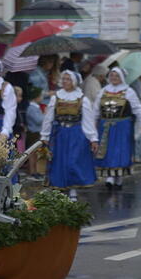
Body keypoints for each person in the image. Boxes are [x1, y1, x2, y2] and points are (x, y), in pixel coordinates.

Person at [40, 71, 98, 199]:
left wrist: (93, 138)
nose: (65, 81)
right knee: (59, 161)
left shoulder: (82, 99)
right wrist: (44, 136)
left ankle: (72, 190)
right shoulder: (56, 97)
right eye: (64, 79)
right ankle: (59, 188)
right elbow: (48, 117)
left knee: (73, 161)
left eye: (68, 79)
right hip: (59, 133)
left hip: (76, 133)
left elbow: (88, 120)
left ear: (75, 82)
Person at [95, 67, 141, 190]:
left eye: (117, 76)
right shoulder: (103, 91)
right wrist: (93, 124)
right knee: (107, 151)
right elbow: (96, 110)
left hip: (122, 126)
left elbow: (138, 109)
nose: (114, 78)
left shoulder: (128, 91)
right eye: (112, 75)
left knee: (120, 151)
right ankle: (110, 177)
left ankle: (117, 178)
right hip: (105, 126)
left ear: (122, 78)